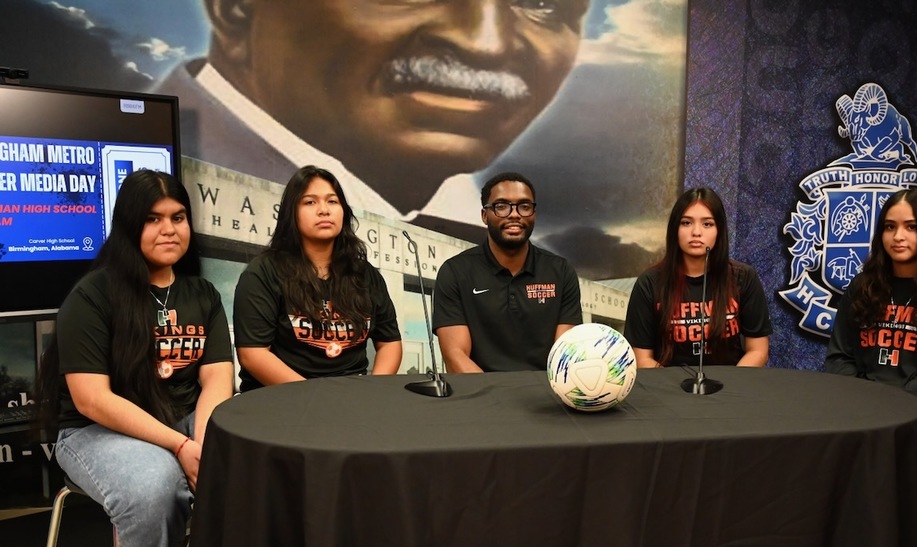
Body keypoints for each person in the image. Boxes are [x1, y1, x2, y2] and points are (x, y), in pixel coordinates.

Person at [152, 0, 590, 223]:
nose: (487, 43)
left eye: (540, 1)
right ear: (236, 8)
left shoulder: (472, 224)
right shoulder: (153, 198)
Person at [35, 169, 235, 547]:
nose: (169, 229)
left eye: (179, 217)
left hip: (182, 418)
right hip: (94, 430)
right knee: (154, 484)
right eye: (153, 219)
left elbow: (215, 379)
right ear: (128, 226)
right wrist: (180, 446)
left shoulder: (201, 295)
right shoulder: (93, 294)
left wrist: (204, 443)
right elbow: (91, 398)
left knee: (240, 463)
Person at [825, 188, 917, 458]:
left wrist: (885, 404)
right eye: (890, 227)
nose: (898, 236)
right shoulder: (862, 287)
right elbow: (839, 358)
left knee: (878, 444)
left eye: (911, 227)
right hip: (859, 404)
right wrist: (861, 400)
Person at [233, 166, 402, 390]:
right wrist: (317, 400)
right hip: (283, 400)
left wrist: (374, 391)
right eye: (310, 202)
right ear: (291, 213)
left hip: (354, 397)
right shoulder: (263, 272)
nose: (324, 210)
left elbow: (390, 343)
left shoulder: (366, 274)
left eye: (332, 201)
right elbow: (253, 355)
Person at [432, 171, 582, 372]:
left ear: (534, 214)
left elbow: (565, 356)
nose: (514, 214)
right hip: (480, 396)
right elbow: (455, 356)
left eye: (524, 206)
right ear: (485, 216)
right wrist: (495, 399)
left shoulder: (561, 272)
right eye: (501, 206)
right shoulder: (455, 272)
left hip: (546, 396)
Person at [624, 187, 772, 368]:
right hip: (669, 390)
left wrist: (731, 389)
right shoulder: (649, 283)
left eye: (707, 224)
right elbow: (641, 358)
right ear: (674, 229)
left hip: (731, 390)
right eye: (686, 223)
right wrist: (673, 391)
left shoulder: (743, 278)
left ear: (719, 230)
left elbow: (758, 350)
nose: (696, 232)